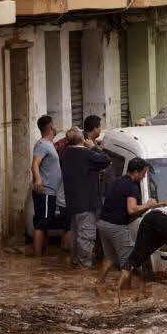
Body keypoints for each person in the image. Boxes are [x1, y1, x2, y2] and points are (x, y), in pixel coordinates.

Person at [96, 158, 158, 285]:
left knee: (109, 257)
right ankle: (123, 291)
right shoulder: (132, 186)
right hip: (116, 227)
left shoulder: (117, 181)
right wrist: (148, 205)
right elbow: (132, 209)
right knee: (129, 261)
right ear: (135, 172)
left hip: (103, 223)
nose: (144, 176)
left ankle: (99, 283)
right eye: (143, 173)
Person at [60, 127, 111, 268]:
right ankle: (84, 266)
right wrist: (93, 147)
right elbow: (106, 160)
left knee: (76, 234)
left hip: (72, 202)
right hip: (86, 203)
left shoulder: (65, 153)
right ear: (82, 139)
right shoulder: (86, 154)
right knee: (86, 236)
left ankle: (76, 263)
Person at [31, 115, 70, 256]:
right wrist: (38, 179)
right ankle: (37, 258)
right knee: (41, 223)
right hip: (45, 191)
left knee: (45, 223)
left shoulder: (49, 144)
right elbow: (35, 163)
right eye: (55, 124)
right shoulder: (42, 145)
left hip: (51, 192)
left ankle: (43, 255)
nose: (56, 126)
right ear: (51, 127)